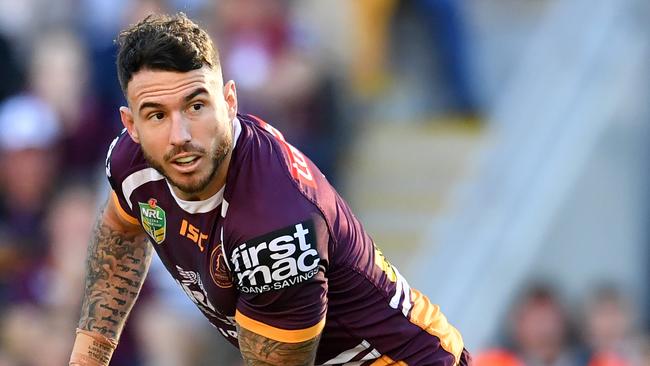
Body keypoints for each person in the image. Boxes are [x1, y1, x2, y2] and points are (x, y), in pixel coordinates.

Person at [68, 13, 471, 366]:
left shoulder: (277, 226)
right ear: (131, 126)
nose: (181, 135)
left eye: (196, 106)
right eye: (156, 115)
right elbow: (120, 235)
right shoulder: (130, 162)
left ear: (229, 101)